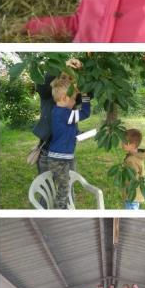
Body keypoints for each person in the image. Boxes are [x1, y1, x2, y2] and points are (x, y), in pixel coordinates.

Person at [47, 76, 92, 209]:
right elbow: (85, 113)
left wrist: (81, 134)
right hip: (59, 160)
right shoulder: (63, 113)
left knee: (65, 186)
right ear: (64, 98)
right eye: (73, 99)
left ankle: (63, 207)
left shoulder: (60, 113)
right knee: (63, 189)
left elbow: (68, 132)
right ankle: (59, 210)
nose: (74, 102)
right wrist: (85, 96)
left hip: (64, 158)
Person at [120, 129, 145, 210]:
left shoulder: (132, 160)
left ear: (132, 145)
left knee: (131, 209)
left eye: (123, 142)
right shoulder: (136, 155)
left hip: (132, 194)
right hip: (135, 194)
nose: (121, 144)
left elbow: (131, 178)